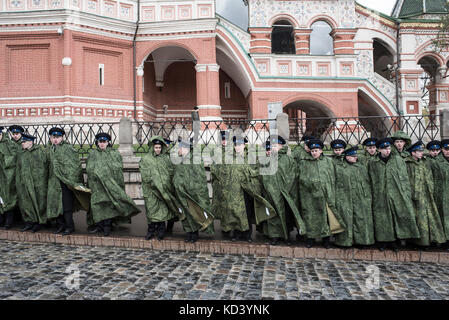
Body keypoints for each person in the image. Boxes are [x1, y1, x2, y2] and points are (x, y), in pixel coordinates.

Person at [368, 138, 420, 251]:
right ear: (379, 150)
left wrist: (405, 193)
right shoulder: (373, 162)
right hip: (380, 194)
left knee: (396, 216)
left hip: (397, 193)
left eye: (388, 148)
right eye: (384, 149)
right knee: (382, 218)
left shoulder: (398, 160)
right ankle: (383, 242)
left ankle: (395, 242)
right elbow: (371, 179)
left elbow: (404, 177)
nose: (387, 151)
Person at [86, 133, 140, 237]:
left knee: (109, 205)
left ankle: (107, 226)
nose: (102, 144)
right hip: (97, 186)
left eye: (104, 142)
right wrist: (96, 175)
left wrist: (108, 178)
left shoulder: (114, 153)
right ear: (97, 142)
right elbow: (89, 167)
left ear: (108, 142)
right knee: (97, 205)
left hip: (110, 185)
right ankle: (99, 225)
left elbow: (118, 168)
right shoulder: (93, 154)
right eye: (100, 142)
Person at [258, 135, 306, 245]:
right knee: (273, 214)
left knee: (285, 215)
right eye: (271, 145)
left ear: (281, 146)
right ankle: (274, 235)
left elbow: (292, 175)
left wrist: (286, 189)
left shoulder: (288, 159)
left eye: (275, 145)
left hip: (284, 192)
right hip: (269, 191)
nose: (273, 148)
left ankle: (286, 235)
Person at [297, 139, 345, 248]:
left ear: (321, 151)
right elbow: (301, 178)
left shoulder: (328, 162)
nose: (314, 153)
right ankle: (311, 238)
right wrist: (309, 184)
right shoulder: (304, 162)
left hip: (325, 194)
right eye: (313, 151)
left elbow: (333, 177)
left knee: (325, 217)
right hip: (309, 196)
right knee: (310, 217)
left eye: (316, 150)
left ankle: (326, 239)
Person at [46, 127, 89, 236]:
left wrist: (69, 178)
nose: (55, 139)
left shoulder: (68, 149)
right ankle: (60, 225)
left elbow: (74, 165)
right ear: (50, 138)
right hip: (53, 182)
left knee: (66, 205)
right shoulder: (49, 149)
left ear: (62, 137)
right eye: (53, 137)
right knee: (56, 203)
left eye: (58, 137)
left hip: (65, 182)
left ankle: (70, 226)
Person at [404, 141, 446, 249]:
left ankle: (431, 241)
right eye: (419, 151)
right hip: (415, 195)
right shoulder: (407, 163)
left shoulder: (425, 162)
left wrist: (430, 190)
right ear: (413, 153)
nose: (422, 153)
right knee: (418, 220)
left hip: (426, 194)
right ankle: (418, 242)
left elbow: (429, 177)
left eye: (422, 151)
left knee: (429, 218)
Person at [172, 139, 215, 243]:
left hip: (192, 192)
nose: (179, 150)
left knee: (194, 212)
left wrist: (193, 189)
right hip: (181, 191)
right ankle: (188, 232)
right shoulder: (179, 160)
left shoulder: (195, 159)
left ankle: (194, 232)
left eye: (181, 148)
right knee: (186, 213)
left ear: (186, 148)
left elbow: (199, 177)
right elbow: (175, 174)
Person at [140, 136, 180, 240]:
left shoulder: (165, 158)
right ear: (152, 147)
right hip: (151, 191)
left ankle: (161, 230)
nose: (158, 149)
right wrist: (155, 185)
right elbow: (145, 176)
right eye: (156, 147)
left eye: (159, 147)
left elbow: (171, 172)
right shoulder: (146, 159)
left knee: (162, 210)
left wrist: (167, 186)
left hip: (164, 190)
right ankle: (151, 230)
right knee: (152, 210)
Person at [334, 146, 375, 248]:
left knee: (361, 219)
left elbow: (367, 183)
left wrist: (367, 197)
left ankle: (362, 241)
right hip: (345, 197)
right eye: (353, 156)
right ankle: (345, 242)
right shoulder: (340, 168)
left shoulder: (361, 168)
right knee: (346, 219)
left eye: (356, 156)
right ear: (347, 157)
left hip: (361, 197)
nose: (355, 158)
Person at [15, 133, 48, 232]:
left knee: (38, 203)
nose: (22, 144)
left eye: (24, 142)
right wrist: (19, 181)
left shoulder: (38, 152)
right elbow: (18, 168)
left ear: (30, 142)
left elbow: (43, 168)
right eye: (22, 142)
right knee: (26, 203)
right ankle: (29, 222)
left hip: (37, 183)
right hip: (24, 183)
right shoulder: (22, 153)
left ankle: (39, 222)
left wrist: (39, 182)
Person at [430, 139, 449, 248]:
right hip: (440, 194)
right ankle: (443, 240)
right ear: (442, 149)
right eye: (446, 149)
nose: (448, 151)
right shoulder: (436, 161)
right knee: (442, 218)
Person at [0, 126, 20, 229]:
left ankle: (8, 221)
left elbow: (14, 157)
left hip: (7, 176)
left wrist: (3, 160)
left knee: (8, 197)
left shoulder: (9, 144)